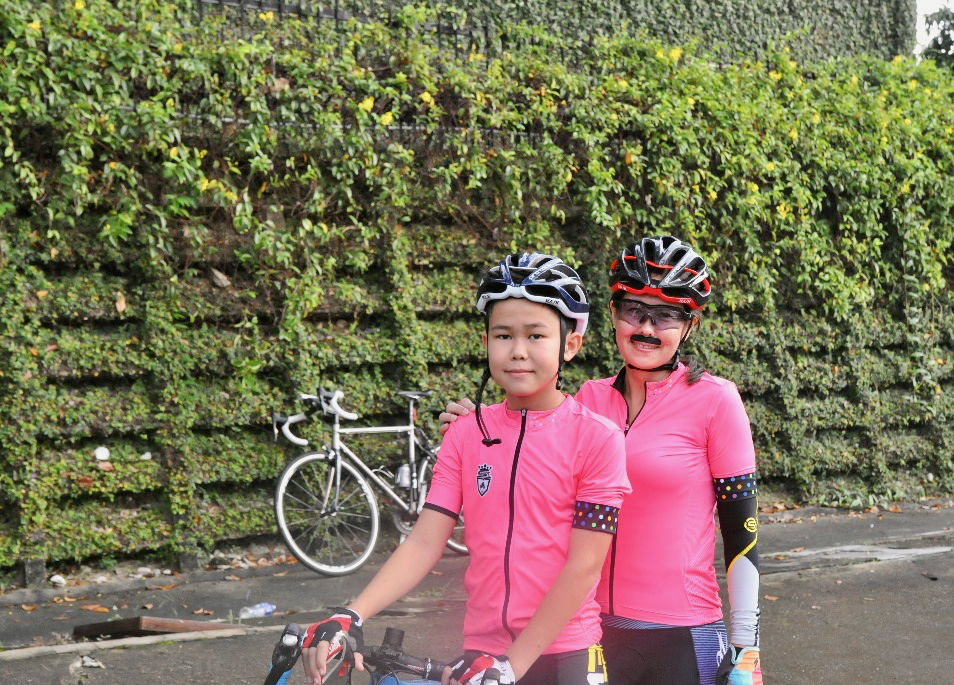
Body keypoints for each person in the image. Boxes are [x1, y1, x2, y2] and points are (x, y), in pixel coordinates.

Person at [441, 236, 763, 685]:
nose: (646, 327)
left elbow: (742, 533)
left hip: (682, 633)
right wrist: (476, 424)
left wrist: (747, 647)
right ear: (612, 313)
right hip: (589, 631)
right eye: (634, 310)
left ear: (689, 326)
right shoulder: (589, 399)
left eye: (666, 315)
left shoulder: (716, 401)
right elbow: (530, 437)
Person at [300, 252, 631, 685]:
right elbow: (424, 542)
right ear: (485, 341)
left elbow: (584, 566)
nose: (518, 351)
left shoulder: (599, 438)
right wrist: (351, 614)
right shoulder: (465, 433)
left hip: (566, 654)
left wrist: (512, 666)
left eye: (536, 335)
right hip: (481, 655)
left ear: (570, 345)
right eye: (503, 335)